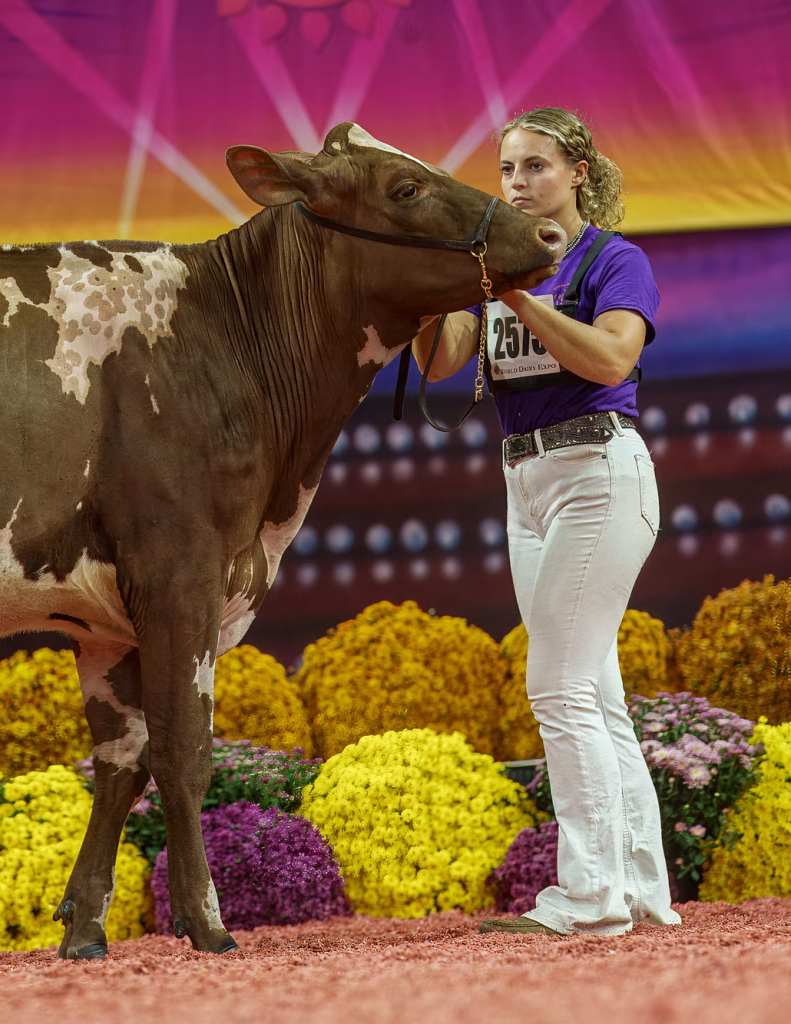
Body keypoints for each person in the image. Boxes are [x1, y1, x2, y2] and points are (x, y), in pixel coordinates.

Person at [411, 107, 680, 936]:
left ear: (578, 173)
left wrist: (518, 296)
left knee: (558, 687)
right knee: (593, 693)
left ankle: (590, 899)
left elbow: (611, 357)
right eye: (508, 169)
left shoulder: (613, 260)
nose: (519, 183)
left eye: (536, 166)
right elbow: (441, 360)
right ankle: (639, 887)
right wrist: (433, 284)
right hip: (523, 481)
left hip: (598, 471)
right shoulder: (493, 270)